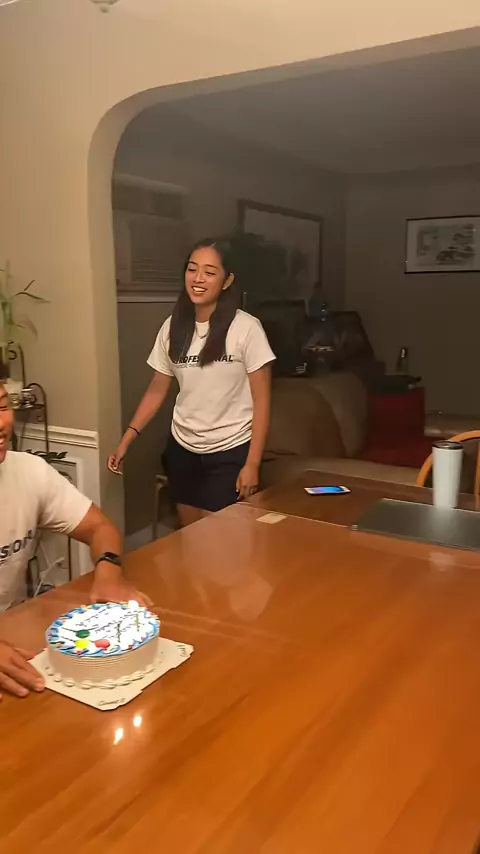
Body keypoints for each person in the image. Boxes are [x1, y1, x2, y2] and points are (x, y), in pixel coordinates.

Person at [109, 237, 275, 527]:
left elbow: (262, 401)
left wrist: (252, 464)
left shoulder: (247, 328)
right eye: (192, 269)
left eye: (209, 272)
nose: (198, 278)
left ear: (227, 281)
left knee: (221, 540)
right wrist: (126, 440)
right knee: (190, 536)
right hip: (182, 450)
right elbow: (157, 390)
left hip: (230, 450)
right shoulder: (172, 327)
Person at [0, 380, 150, 700]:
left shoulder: (29, 472)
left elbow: (99, 527)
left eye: (2, 406)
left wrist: (108, 573)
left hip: (15, 636)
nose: (1, 423)